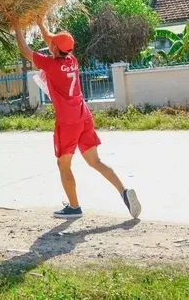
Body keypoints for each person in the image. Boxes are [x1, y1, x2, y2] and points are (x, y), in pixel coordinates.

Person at [12, 18, 141, 220]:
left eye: (53, 43)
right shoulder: (72, 60)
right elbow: (51, 43)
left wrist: (16, 25)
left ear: (54, 48)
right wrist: (41, 24)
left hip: (67, 121)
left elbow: (24, 49)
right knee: (95, 161)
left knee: (64, 165)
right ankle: (124, 191)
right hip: (83, 116)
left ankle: (74, 207)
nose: (50, 43)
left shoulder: (51, 64)